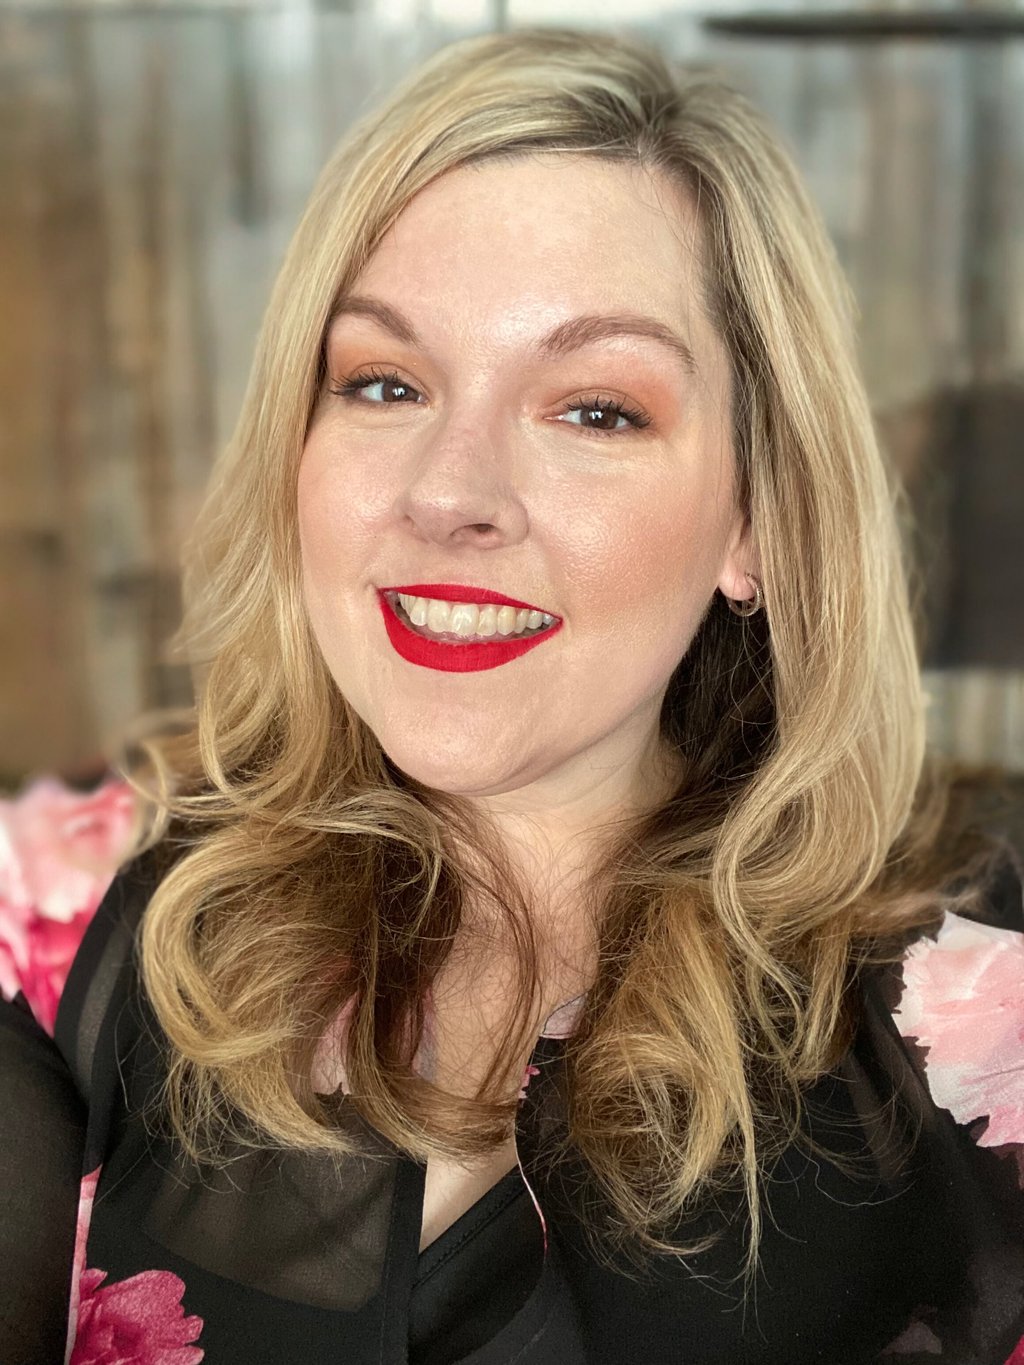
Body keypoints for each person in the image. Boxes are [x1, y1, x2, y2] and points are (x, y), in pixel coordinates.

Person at [3, 25, 1023, 1365]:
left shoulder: (978, 1010)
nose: (447, 492)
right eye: (382, 382)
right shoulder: (61, 932)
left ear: (757, 523)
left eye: (594, 409)